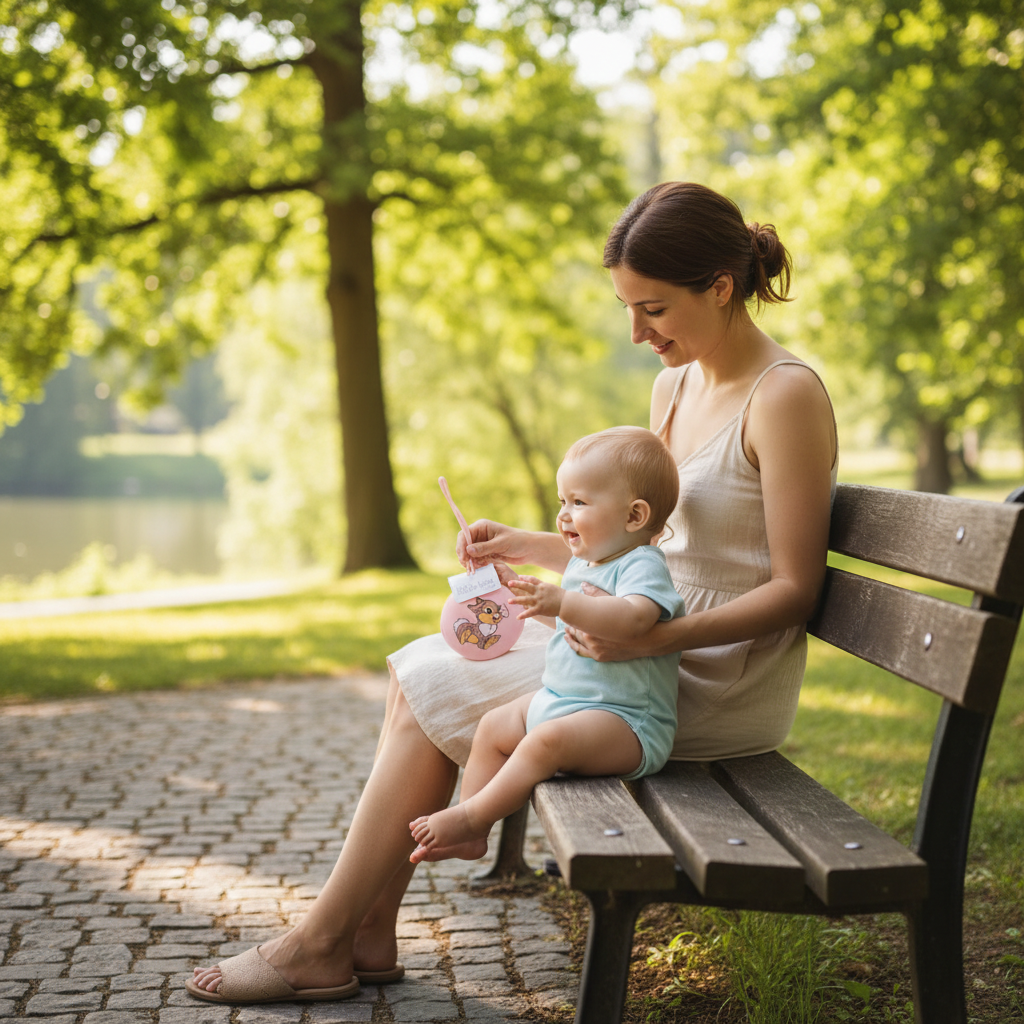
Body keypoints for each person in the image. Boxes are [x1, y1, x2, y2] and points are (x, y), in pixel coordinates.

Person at [186, 181, 837, 1005]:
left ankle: (325, 940)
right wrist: (528, 545)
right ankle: (363, 933)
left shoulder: (784, 395)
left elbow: (794, 590)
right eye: (627, 309)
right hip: (634, 636)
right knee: (419, 666)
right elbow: (648, 543)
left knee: (431, 681)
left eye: (654, 309)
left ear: (720, 286)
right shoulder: (675, 388)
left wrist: (650, 640)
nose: (637, 333)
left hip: (702, 674)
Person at [408, 426, 685, 863]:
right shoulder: (586, 562)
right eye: (562, 501)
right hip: (566, 700)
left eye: (579, 502)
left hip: (627, 722)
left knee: (543, 743)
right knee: (494, 726)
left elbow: (634, 619)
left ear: (634, 516)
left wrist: (562, 599)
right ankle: (469, 831)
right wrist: (521, 592)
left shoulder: (642, 566)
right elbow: (566, 620)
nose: (564, 516)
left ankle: (473, 817)